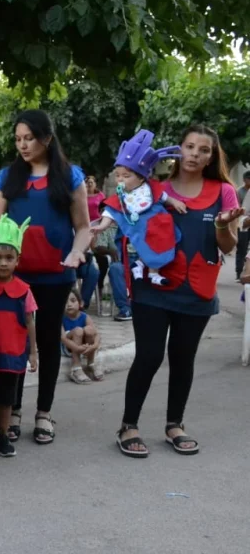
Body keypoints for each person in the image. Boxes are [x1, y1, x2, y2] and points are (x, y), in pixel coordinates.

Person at [117, 124, 241, 458]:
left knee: (183, 358)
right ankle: (128, 426)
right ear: (178, 149)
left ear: (211, 157)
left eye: (204, 150)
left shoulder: (223, 192)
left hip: (197, 287)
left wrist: (220, 224)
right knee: (149, 356)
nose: (195, 154)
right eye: (189, 147)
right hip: (152, 287)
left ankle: (175, 424)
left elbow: (227, 245)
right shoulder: (154, 188)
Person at [0, 110, 92, 445]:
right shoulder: (8, 177)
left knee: (48, 344)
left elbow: (83, 228)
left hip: (56, 276)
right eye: (18, 139)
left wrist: (77, 252)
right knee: (15, 343)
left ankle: (44, 413)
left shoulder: (70, 177)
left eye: (29, 138)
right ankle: (15, 410)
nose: (22, 145)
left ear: (47, 139)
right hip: (14, 278)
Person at [0, 215, 37, 457]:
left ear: (17, 260)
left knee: (6, 400)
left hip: (13, 355)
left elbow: (30, 321)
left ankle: (2, 435)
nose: (3, 263)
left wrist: (33, 352)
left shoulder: (24, 290)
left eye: (9, 258)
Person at [91, 130, 186, 286]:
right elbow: (111, 211)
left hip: (158, 224)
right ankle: (145, 268)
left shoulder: (150, 190)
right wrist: (101, 226)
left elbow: (164, 197)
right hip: (140, 229)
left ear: (141, 177)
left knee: (164, 242)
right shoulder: (120, 198)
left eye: (126, 176)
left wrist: (175, 202)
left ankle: (148, 268)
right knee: (145, 245)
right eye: (117, 175)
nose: (120, 179)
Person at [92, 202, 133, 322]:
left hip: (144, 261)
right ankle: (125, 308)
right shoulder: (108, 228)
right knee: (115, 268)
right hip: (122, 261)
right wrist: (111, 252)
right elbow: (99, 247)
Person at [61, 289, 103, 383]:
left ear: (81, 303)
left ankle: (91, 364)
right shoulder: (61, 318)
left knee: (89, 329)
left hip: (85, 348)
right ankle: (76, 368)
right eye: (65, 301)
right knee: (78, 331)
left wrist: (94, 346)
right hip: (68, 348)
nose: (69, 304)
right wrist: (77, 348)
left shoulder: (84, 316)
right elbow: (63, 338)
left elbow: (96, 334)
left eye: (73, 300)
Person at [235, 171, 250, 279]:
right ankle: (239, 272)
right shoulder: (239, 192)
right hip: (242, 222)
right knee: (242, 248)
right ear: (244, 180)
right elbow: (236, 207)